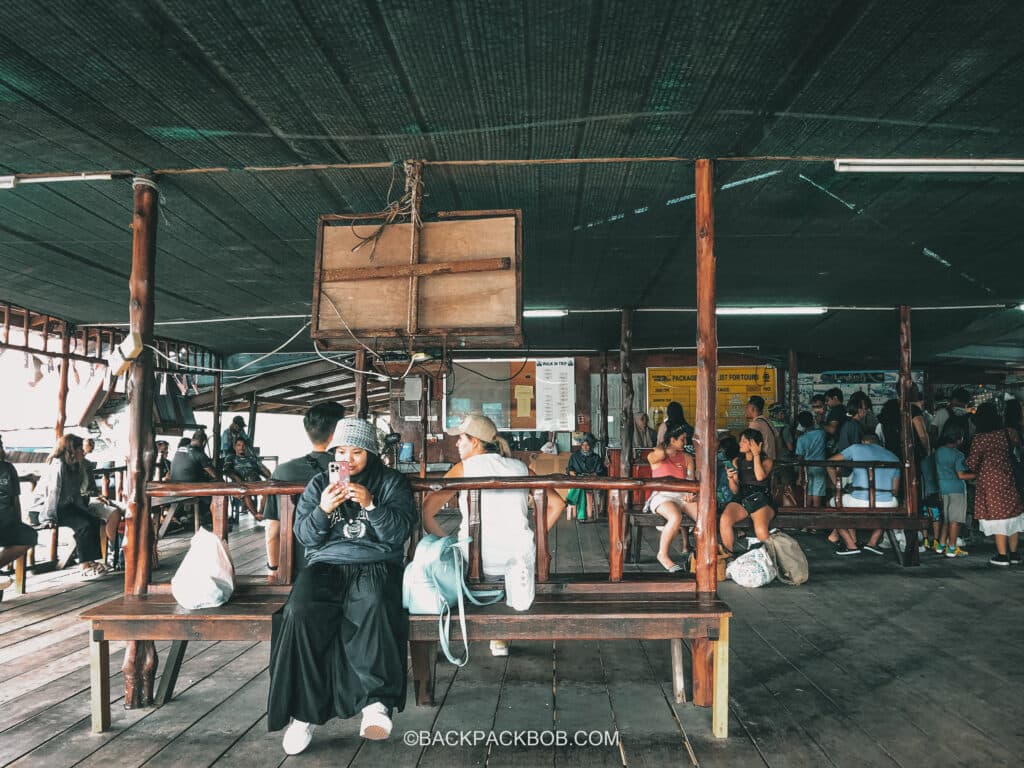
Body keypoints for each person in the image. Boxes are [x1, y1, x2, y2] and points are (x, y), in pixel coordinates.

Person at [268, 418, 416, 755]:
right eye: (342, 451)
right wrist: (323, 509)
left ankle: (375, 705)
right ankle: (302, 716)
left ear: (372, 453)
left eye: (357, 451)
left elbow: (398, 534)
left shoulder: (391, 482)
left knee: (375, 602)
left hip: (375, 562)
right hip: (325, 565)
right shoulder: (320, 482)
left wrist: (371, 505)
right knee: (300, 611)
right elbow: (304, 535)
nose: (348, 458)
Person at [421, 414, 565, 657]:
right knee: (514, 555)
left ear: (475, 442)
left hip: (476, 563)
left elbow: (426, 512)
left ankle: (483, 629)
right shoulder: (520, 467)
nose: (457, 444)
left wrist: (450, 546)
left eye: (461, 439)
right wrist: (535, 537)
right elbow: (558, 505)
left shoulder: (463, 469)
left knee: (457, 558)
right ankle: (499, 636)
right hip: (520, 558)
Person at [263, 402, 345, 573]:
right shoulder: (347, 469)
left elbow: (272, 530)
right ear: (335, 434)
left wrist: (274, 568)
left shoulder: (282, 472)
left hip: (297, 570)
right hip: (344, 564)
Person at [26, 434, 108, 579]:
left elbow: (75, 494)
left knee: (93, 520)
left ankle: (90, 561)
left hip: (61, 507)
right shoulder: (59, 465)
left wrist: (84, 511)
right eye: (80, 449)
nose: (83, 452)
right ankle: (84, 567)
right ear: (71, 449)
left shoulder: (74, 465)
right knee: (84, 525)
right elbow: (53, 493)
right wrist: (48, 518)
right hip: (42, 510)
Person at [966, 402, 1023, 566]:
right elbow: (1018, 448)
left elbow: (972, 463)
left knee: (999, 517)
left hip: (990, 482)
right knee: (1013, 516)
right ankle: (1014, 554)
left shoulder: (980, 439)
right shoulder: (1009, 433)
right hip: (1010, 478)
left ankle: (1002, 556)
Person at [827, 432, 901, 556]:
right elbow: (895, 491)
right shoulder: (894, 456)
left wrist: (839, 487)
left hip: (858, 500)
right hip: (886, 503)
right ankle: (872, 542)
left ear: (863, 442)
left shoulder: (856, 448)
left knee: (834, 504)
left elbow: (830, 463)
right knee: (892, 505)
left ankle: (851, 545)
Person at [646, 422, 696, 572]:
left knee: (704, 516)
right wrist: (664, 443)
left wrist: (690, 493)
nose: (685, 443)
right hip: (662, 495)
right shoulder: (655, 455)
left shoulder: (687, 457)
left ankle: (699, 554)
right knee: (675, 516)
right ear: (672, 440)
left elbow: (690, 480)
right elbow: (661, 454)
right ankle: (663, 555)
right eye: (682, 439)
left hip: (682, 494)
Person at [719, 429, 776, 555]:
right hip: (742, 496)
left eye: (744, 441)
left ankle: (772, 561)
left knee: (761, 531)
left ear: (756, 444)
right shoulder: (737, 461)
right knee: (725, 519)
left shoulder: (767, 461)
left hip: (760, 498)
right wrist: (730, 479)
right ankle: (729, 556)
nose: (740, 443)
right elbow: (735, 490)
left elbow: (760, 477)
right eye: (741, 441)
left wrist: (756, 455)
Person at [0, 435, 36, 594]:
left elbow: (15, 499)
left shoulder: (8, 469)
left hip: (7, 520)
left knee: (29, 535)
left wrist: (18, 521)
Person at [934, 426, 974, 558]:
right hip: (956, 490)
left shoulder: (939, 451)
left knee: (947, 519)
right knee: (955, 520)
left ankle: (941, 545)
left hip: (944, 488)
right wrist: (978, 474)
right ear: (959, 440)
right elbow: (961, 475)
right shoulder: (958, 454)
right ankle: (951, 547)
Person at [168, 430, 218, 528]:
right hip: (188, 490)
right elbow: (214, 474)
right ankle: (209, 520)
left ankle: (193, 517)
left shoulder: (179, 450)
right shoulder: (199, 453)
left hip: (173, 487)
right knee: (213, 493)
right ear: (203, 442)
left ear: (192, 439)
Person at [222, 437, 271, 519]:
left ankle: (261, 513)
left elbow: (263, 470)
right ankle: (256, 515)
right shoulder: (231, 458)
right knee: (244, 493)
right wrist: (237, 479)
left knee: (268, 492)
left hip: (256, 483)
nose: (241, 447)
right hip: (241, 484)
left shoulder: (252, 458)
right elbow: (227, 471)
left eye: (244, 445)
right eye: (239, 445)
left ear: (247, 447)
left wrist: (270, 476)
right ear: (235, 447)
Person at [565, 433, 606, 522]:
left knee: (581, 485)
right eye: (583, 445)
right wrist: (573, 473)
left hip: (591, 481)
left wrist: (591, 475)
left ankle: (570, 499)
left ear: (591, 446)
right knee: (580, 486)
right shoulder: (575, 456)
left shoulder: (596, 457)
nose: (585, 447)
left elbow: (600, 472)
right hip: (577, 480)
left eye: (587, 445)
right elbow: (569, 469)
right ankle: (581, 515)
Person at [795, 411, 827, 507]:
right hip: (819, 467)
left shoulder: (801, 439)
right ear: (813, 420)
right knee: (817, 492)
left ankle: (807, 513)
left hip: (806, 468)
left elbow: (800, 458)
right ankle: (816, 514)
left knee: (808, 491)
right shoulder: (821, 434)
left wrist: (800, 476)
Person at [746, 396, 781, 461]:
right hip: (772, 460)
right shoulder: (767, 421)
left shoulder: (755, 424)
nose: (746, 410)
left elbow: (750, 445)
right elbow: (778, 440)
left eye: (747, 408)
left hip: (762, 461)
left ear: (752, 408)